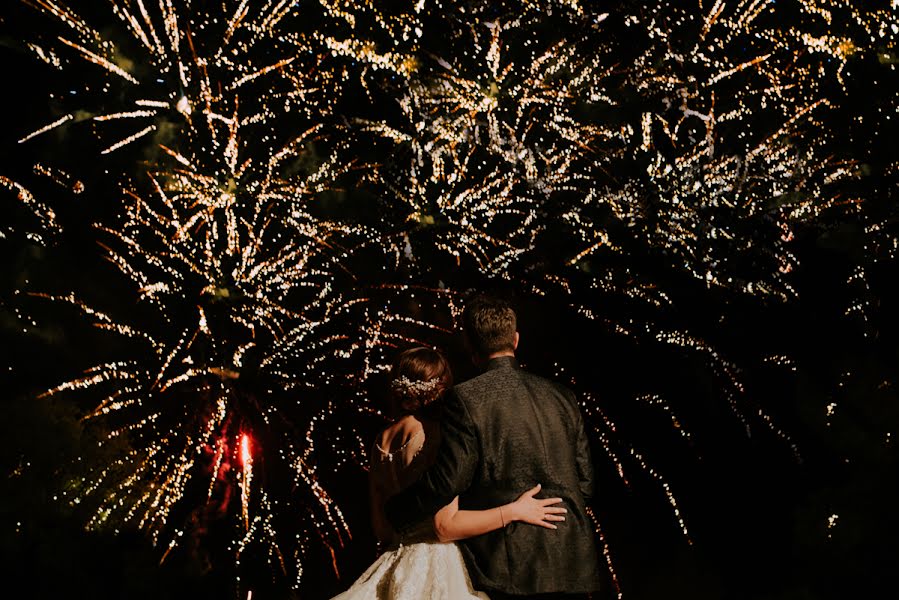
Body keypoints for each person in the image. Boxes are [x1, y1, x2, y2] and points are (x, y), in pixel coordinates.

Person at [385, 294, 602, 598]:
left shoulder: (464, 399)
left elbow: (449, 480)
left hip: (511, 568)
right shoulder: (563, 396)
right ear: (515, 339)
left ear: (470, 348)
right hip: (573, 562)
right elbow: (586, 484)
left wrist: (397, 510)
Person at [332, 347, 567, 600]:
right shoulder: (435, 435)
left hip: (394, 559)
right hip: (437, 565)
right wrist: (513, 511)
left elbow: (381, 529)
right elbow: (445, 526)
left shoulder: (381, 440)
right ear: (441, 387)